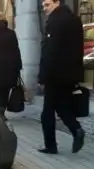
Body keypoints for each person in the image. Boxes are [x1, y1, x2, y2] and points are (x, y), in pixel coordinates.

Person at [37, 0, 85, 154]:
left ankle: (51, 145)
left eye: (47, 4)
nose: (44, 8)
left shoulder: (55, 22)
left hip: (55, 74)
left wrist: (43, 76)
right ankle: (76, 130)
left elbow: (50, 52)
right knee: (61, 106)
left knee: (47, 112)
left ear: (57, 2)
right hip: (70, 74)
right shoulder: (75, 20)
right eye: (43, 5)